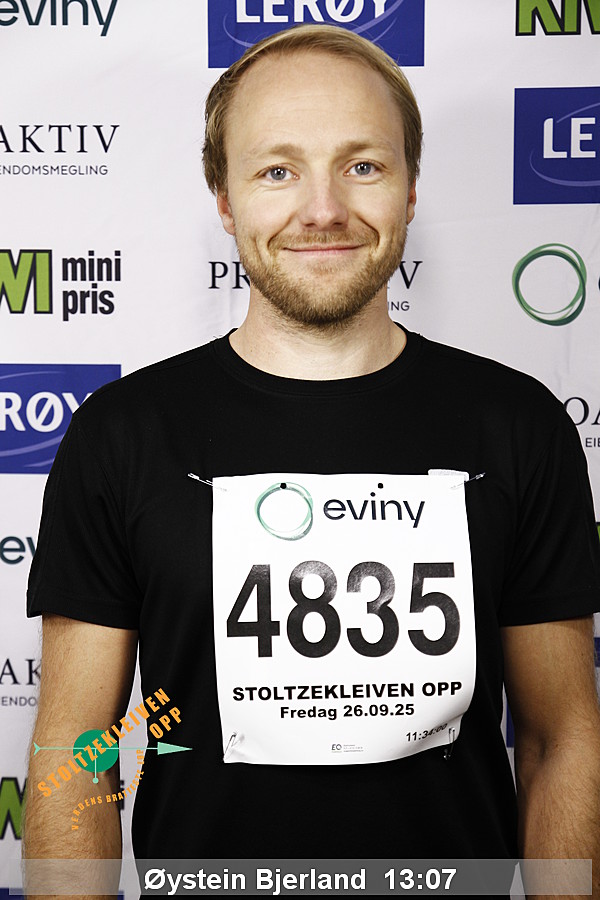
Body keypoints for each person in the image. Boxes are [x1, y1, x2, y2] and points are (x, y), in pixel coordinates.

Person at [25, 22, 600, 891]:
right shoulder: (123, 433)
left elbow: (560, 739)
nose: (324, 209)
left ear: (410, 189)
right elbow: (78, 750)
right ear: (225, 200)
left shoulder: (518, 425)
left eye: (362, 165)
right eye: (277, 170)